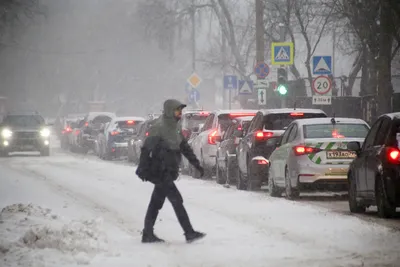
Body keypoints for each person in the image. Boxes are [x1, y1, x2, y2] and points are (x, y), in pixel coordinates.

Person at [136, 99, 206, 243]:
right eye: (177, 110)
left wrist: (196, 164)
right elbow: (147, 148)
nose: (180, 113)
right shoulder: (159, 127)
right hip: (161, 170)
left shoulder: (175, 127)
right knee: (177, 200)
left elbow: (185, 148)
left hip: (169, 170)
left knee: (156, 202)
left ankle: (147, 233)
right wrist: (142, 168)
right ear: (169, 111)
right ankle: (189, 232)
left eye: (180, 111)